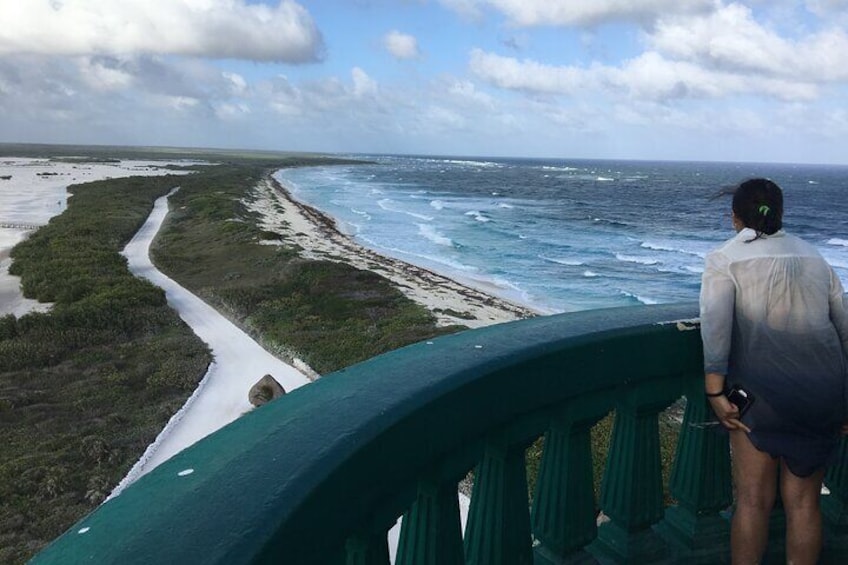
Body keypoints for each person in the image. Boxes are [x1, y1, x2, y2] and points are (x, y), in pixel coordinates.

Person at [699, 178, 848, 564]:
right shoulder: (816, 258)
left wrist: (715, 391)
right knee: (804, 504)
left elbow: (716, 328)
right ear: (780, 214)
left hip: (761, 395)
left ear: (734, 218)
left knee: (752, 501)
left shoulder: (724, 259)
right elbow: (844, 329)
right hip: (823, 393)